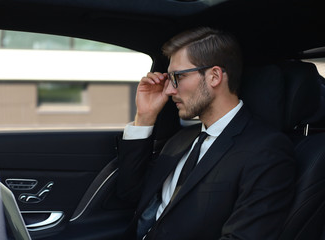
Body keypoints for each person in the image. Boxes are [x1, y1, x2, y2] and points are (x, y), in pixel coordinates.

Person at [116, 27, 295, 240]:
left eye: (178, 77)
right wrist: (145, 117)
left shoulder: (267, 151)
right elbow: (129, 195)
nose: (170, 90)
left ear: (214, 76)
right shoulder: (181, 139)